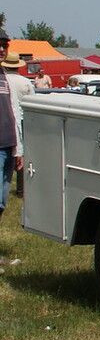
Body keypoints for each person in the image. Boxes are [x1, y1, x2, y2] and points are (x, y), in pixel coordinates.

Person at [0, 31, 30, 271]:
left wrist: (17, 147)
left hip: (7, 146)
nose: (2, 49)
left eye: (4, 45)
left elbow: (12, 112)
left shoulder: (4, 77)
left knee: (1, 203)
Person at [1, 50, 33, 201]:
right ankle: (22, 189)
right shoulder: (25, 81)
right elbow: (33, 101)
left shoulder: (5, 79)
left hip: (9, 125)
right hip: (21, 121)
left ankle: (18, 189)